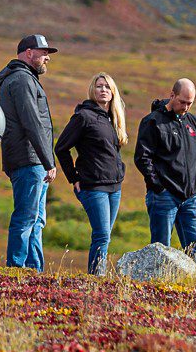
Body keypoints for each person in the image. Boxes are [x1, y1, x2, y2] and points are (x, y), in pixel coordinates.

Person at [54, 72, 128, 275]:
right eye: (99, 86)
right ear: (92, 90)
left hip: (114, 186)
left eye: (107, 87)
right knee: (102, 235)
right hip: (93, 186)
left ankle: (97, 277)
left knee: (106, 236)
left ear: (113, 93)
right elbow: (61, 148)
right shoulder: (83, 116)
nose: (103, 90)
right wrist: (73, 178)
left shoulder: (112, 119)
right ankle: (96, 278)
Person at [0, 34, 58, 271]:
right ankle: (17, 269)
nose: (47, 58)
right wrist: (47, 160)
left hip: (32, 160)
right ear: (29, 53)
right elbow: (32, 122)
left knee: (36, 220)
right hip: (29, 160)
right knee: (26, 217)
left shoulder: (25, 79)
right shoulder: (22, 80)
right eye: (43, 53)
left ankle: (34, 271)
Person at [134, 78, 196, 268]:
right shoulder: (152, 122)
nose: (186, 107)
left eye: (190, 103)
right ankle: (156, 289)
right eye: (182, 102)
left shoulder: (194, 123)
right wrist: (158, 186)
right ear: (172, 95)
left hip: (191, 196)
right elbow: (142, 157)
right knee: (160, 249)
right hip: (164, 197)